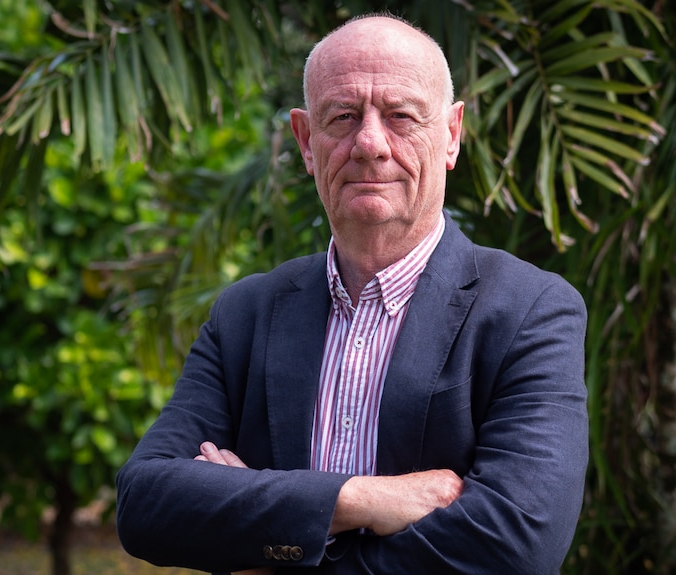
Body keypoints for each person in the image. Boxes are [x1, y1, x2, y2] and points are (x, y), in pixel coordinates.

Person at [116, 13, 588, 575]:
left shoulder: (531, 312)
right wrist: (359, 501)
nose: (369, 143)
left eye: (401, 116)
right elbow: (144, 502)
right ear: (306, 141)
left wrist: (275, 534)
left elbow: (518, 544)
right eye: (342, 116)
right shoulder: (245, 315)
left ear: (451, 135)